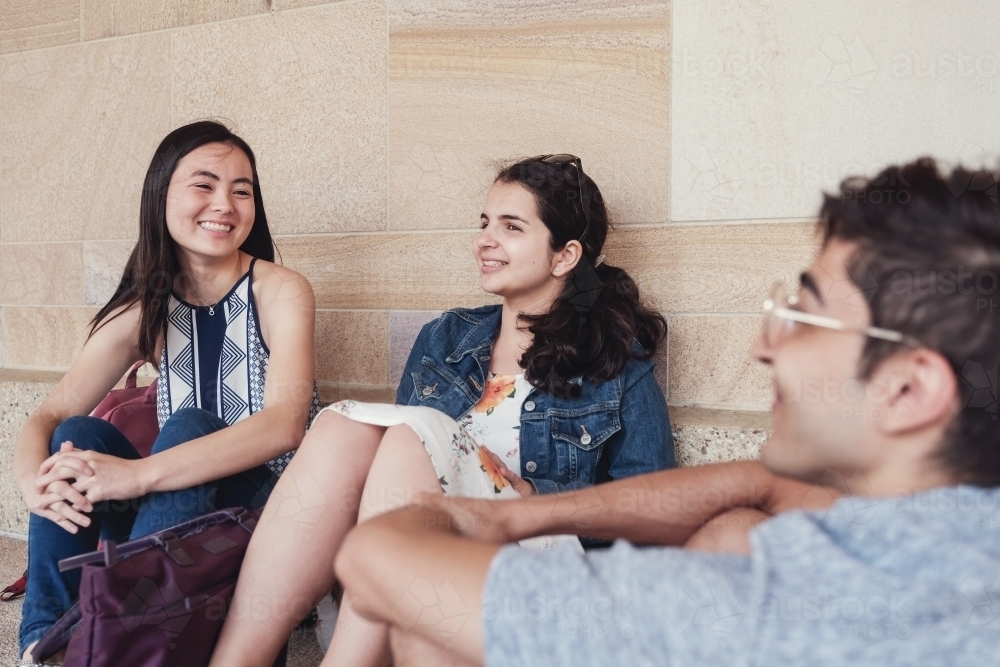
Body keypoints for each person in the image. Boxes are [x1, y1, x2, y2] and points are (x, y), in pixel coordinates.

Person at [334, 157, 1000, 666]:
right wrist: (514, 512)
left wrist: (468, 507)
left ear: (910, 389)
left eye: (804, 316)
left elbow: (376, 558)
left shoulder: (775, 604)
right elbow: (759, 482)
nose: (762, 346)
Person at [209, 155, 675, 666]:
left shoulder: (618, 366)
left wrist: (537, 498)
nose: (484, 240)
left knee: (413, 435)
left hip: (541, 591)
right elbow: (397, 475)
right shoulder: (447, 337)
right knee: (347, 427)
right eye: (484, 223)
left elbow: (656, 518)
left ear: (565, 256)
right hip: (423, 575)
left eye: (511, 227)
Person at [13, 121, 320, 663]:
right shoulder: (146, 306)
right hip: (174, 508)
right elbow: (52, 411)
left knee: (189, 425)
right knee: (74, 435)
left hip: (266, 510)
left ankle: (123, 635)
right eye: (204, 185)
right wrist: (31, 485)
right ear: (162, 196)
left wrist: (136, 475)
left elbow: (284, 425)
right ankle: (46, 642)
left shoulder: (279, 288)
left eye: (241, 190)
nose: (224, 203)